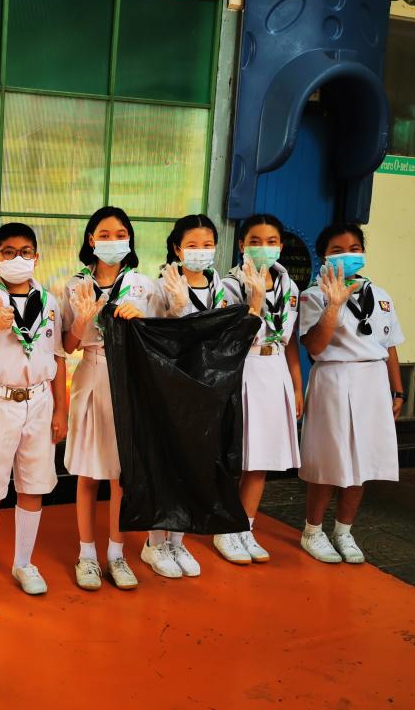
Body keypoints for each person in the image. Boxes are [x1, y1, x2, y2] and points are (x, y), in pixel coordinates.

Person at [61, 206, 181, 590]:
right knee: (87, 472)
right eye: (104, 234)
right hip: (92, 372)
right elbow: (65, 345)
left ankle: (116, 553)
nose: (112, 241)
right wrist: (81, 322)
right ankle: (86, 555)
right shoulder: (75, 286)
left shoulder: (146, 286)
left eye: (119, 234)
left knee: (121, 473)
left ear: (129, 239)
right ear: (90, 240)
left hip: (131, 377)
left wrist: (142, 324)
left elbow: (169, 333)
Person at [0, 222, 68, 597]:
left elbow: (58, 356)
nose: (17, 258)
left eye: (25, 251)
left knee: (34, 486)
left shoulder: (50, 302)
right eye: (8, 252)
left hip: (39, 401)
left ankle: (24, 562)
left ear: (36, 257)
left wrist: (61, 412)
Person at [298, 223, 405, 564]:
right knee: (331, 461)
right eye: (338, 250)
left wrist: (398, 390)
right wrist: (333, 305)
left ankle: (344, 531)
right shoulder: (313, 295)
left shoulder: (381, 294)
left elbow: (388, 347)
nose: (349, 255)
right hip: (335, 378)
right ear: (324, 256)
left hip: (373, 383)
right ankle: (312, 531)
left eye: (355, 248)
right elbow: (314, 346)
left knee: (364, 462)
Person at [133, 213, 232, 579]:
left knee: (194, 464)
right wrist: (176, 311)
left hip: (205, 388)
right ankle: (154, 543)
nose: (201, 253)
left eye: (208, 246)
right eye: (192, 246)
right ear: (177, 248)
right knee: (165, 464)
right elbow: (153, 340)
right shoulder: (160, 287)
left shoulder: (220, 288)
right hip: (167, 388)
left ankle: (178, 540)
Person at [208, 214, 299, 565]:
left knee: (261, 459)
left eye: (272, 241)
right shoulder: (228, 286)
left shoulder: (289, 287)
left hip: (273, 368)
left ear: (281, 246)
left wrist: (295, 385)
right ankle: (224, 528)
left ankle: (245, 527)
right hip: (241, 369)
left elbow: (289, 341)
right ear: (242, 244)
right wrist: (255, 300)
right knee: (235, 453)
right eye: (255, 241)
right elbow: (229, 338)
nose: (264, 248)